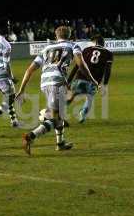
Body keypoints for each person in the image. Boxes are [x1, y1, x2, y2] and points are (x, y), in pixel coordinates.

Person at [15, 26, 99, 155]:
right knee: (55, 118)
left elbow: (30, 70)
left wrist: (21, 89)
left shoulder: (46, 48)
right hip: (57, 82)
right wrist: (93, 80)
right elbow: (81, 65)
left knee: (59, 116)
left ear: (56, 36)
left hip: (45, 83)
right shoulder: (73, 46)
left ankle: (60, 143)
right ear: (70, 36)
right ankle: (30, 137)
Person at [66, 35, 113, 123]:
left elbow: (77, 66)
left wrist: (68, 81)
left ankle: (58, 112)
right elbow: (108, 70)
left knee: (71, 97)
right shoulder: (108, 53)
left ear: (95, 42)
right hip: (94, 81)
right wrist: (105, 84)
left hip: (80, 78)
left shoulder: (86, 50)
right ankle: (83, 113)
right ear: (103, 43)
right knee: (90, 97)